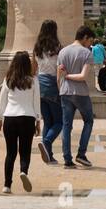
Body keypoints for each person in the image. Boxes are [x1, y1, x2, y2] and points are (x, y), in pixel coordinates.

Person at [0, 51, 41, 194]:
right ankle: (23, 171)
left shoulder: (8, 79)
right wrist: (38, 121)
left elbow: (2, 101)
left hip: (10, 117)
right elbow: (36, 102)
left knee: (10, 153)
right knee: (25, 151)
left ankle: (7, 185)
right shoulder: (33, 80)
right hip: (27, 117)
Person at [57, 25, 96, 168]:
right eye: (90, 40)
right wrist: (68, 76)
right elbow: (82, 76)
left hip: (65, 91)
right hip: (80, 92)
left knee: (67, 125)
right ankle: (81, 153)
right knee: (89, 121)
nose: (91, 43)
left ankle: (67, 158)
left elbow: (59, 75)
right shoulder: (86, 53)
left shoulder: (62, 52)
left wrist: (63, 80)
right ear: (85, 37)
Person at [34, 20, 64, 164]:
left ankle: (49, 155)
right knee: (60, 121)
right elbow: (59, 70)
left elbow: (34, 70)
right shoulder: (58, 48)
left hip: (40, 85)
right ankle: (46, 142)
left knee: (48, 122)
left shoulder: (37, 48)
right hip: (52, 84)